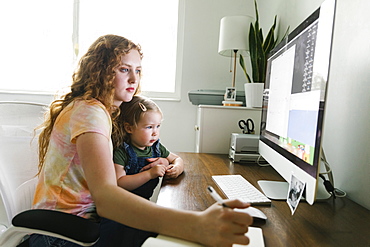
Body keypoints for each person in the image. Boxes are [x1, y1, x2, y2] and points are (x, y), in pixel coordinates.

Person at [30, 34, 252, 247]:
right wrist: (196, 224)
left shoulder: (100, 111)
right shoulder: (90, 113)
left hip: (79, 226)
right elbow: (107, 198)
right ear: (99, 72)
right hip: (61, 236)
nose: (134, 79)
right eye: (124, 69)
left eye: (137, 70)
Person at [114, 95, 184, 199]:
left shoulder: (156, 147)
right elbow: (119, 182)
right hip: (123, 203)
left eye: (158, 126)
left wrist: (177, 168)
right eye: (149, 127)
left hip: (145, 201)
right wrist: (150, 174)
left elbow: (177, 159)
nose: (155, 133)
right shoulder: (122, 152)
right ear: (129, 128)